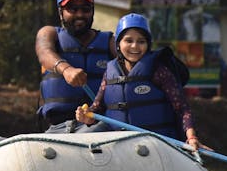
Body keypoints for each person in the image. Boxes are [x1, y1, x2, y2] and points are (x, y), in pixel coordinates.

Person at [74, 13, 200, 150]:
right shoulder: (109, 72)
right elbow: (96, 109)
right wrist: (86, 117)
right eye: (128, 40)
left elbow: (182, 109)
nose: (135, 46)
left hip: (157, 145)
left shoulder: (159, 71)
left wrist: (191, 137)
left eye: (141, 41)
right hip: (120, 146)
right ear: (118, 43)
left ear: (148, 44)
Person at [35, 0, 115, 132]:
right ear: (60, 12)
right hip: (57, 128)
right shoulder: (50, 33)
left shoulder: (110, 41)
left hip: (98, 127)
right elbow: (44, 52)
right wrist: (66, 69)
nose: (80, 14)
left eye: (85, 9)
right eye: (72, 9)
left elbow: (130, 58)